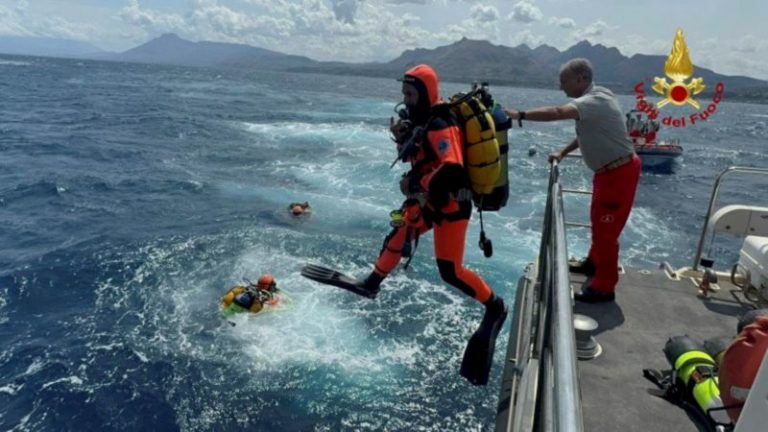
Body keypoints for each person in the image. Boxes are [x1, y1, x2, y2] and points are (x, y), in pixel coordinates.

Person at [302, 64, 507, 385]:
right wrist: (403, 140)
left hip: (451, 204)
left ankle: (495, 307)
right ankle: (371, 282)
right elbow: (423, 155)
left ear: (426, 93)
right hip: (429, 200)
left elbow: (451, 168)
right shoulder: (423, 121)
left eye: (410, 94)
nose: (406, 100)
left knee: (450, 272)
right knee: (401, 229)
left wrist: (416, 181)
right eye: (404, 94)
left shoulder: (440, 122)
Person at [504, 58, 641, 303]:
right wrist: (563, 152)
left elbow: (558, 112)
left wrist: (519, 114)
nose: (560, 87)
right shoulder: (596, 100)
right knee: (598, 224)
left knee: (606, 233)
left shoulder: (595, 100)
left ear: (580, 79)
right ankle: (593, 263)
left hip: (619, 174)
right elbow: (590, 132)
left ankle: (604, 287)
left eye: (563, 81)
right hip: (608, 172)